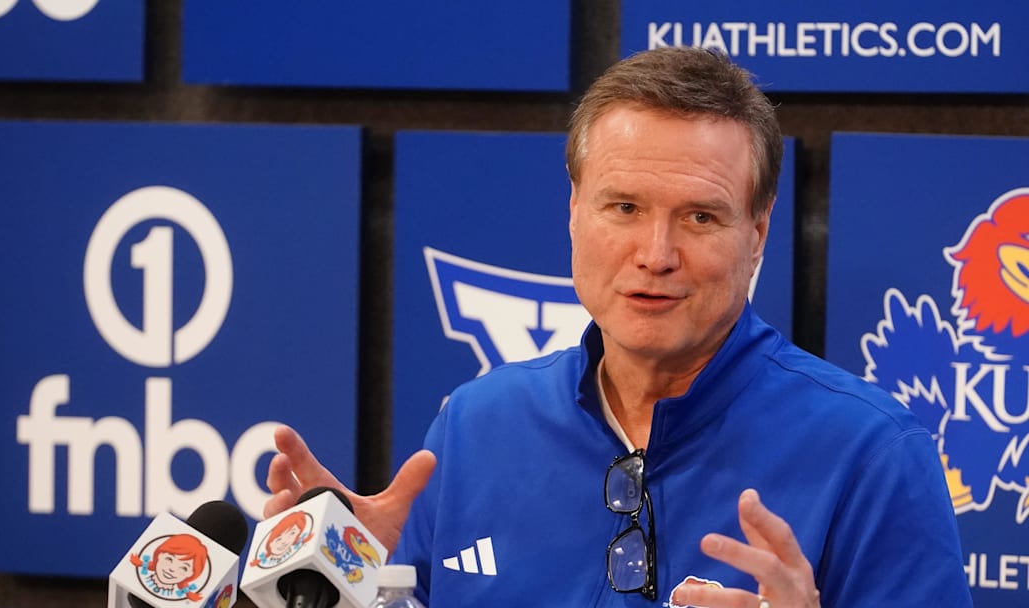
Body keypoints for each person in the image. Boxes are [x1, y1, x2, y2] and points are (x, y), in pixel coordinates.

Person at [265, 47, 971, 607]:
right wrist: (348, 588)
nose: (655, 255)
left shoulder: (874, 453)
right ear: (574, 209)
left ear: (758, 231)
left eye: (700, 216)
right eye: (624, 207)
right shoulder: (475, 425)